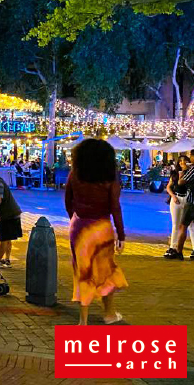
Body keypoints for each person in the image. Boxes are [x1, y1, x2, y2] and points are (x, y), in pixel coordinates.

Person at [65, 139, 127, 325]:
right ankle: (109, 313)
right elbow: (115, 207)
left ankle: (83, 321)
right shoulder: (110, 177)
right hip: (101, 227)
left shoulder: (75, 174)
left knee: (82, 271)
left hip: (79, 227)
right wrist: (121, 234)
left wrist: (75, 220)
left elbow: (68, 201)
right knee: (105, 270)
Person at [165, 155, 194, 256]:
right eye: (180, 161)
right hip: (176, 199)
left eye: (184, 161)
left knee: (191, 225)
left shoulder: (192, 173)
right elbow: (168, 187)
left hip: (188, 200)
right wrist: (173, 196)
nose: (182, 163)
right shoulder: (175, 173)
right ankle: (172, 247)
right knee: (175, 224)